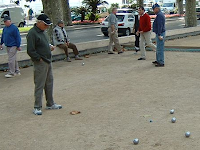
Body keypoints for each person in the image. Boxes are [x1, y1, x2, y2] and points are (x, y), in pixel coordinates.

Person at [27, 14, 62, 115]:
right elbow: (30, 50)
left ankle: (50, 103)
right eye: (45, 24)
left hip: (48, 60)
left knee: (49, 83)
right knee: (39, 84)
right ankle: (37, 106)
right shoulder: (32, 33)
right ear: (39, 23)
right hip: (40, 62)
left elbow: (44, 43)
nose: (47, 27)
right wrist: (39, 59)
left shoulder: (43, 32)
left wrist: (49, 46)